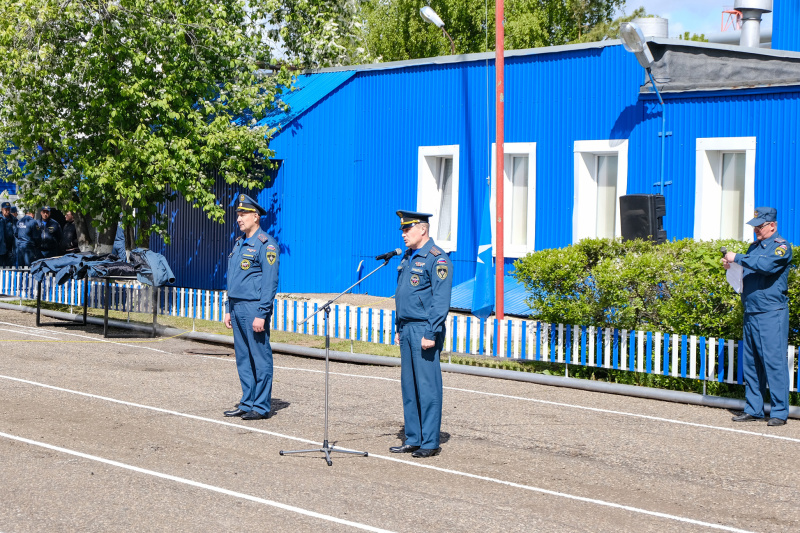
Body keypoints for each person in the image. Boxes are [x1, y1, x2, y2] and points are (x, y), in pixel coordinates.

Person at [390, 210, 453, 458]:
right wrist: (398, 326)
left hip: (424, 329)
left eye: (407, 229)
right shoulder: (408, 257)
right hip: (407, 328)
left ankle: (429, 442)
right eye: (403, 230)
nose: (404, 234)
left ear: (423, 230)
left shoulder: (436, 259)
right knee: (409, 386)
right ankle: (413, 437)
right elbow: (402, 295)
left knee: (427, 387)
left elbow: (440, 300)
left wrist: (431, 331)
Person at [723, 207, 792, 426]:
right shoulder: (753, 247)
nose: (756, 231)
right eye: (755, 227)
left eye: (760, 227)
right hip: (752, 311)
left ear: (773, 225)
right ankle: (754, 409)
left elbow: (765, 266)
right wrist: (731, 265)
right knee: (751, 365)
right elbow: (746, 270)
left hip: (771, 313)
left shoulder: (781, 247)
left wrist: (738, 257)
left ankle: (780, 412)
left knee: (774, 362)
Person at [222, 193, 279, 421]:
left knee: (260, 357)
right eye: (238, 214)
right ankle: (247, 402)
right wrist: (228, 307)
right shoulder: (239, 244)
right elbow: (233, 279)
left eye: (243, 214)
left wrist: (262, 313)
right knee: (243, 357)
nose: (239, 218)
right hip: (236, 307)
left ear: (256, 217)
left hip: (254, 308)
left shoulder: (266, 245)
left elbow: (270, 282)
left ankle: (261, 406)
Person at [0, 202, 15, 267]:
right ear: (2, 209)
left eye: (9, 209)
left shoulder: (13, 220)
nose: (7, 211)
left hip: (10, 249)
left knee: (9, 269)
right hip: (1, 248)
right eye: (6, 209)